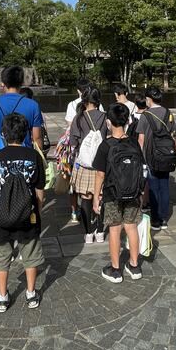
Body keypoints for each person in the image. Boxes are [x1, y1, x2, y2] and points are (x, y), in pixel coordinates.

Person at [0, 113, 45, 312]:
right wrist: (38, 212)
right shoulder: (33, 156)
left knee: (1, 258)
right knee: (30, 255)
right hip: (27, 215)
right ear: (26, 134)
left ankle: (2, 297)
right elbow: (40, 190)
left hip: (1, 216)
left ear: (2, 134)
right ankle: (31, 293)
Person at [92, 103, 144, 283]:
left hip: (112, 193)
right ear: (127, 121)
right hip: (133, 193)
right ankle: (134, 266)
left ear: (108, 122)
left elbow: (100, 174)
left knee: (114, 229)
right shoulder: (134, 142)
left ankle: (115, 270)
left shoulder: (105, 145)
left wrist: (96, 197)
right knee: (131, 227)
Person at [69, 87, 109, 243]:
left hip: (85, 164)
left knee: (86, 198)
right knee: (101, 197)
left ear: (84, 100)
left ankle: (88, 233)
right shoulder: (105, 117)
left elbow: (73, 142)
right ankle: (100, 231)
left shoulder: (78, 118)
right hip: (102, 164)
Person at [0, 67, 44, 163]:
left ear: (3, 83)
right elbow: (37, 137)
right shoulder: (33, 105)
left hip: (0, 159)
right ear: (22, 82)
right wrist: (39, 162)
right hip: (26, 158)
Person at [136, 86, 176, 230]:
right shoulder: (168, 113)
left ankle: (156, 220)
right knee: (164, 187)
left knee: (153, 188)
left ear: (149, 99)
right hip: (166, 155)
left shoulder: (145, 115)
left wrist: (141, 159)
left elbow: (141, 139)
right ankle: (164, 218)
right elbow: (173, 134)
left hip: (150, 156)